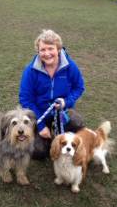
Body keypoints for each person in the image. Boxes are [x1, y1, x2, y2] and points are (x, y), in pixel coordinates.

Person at [19, 29, 85, 160]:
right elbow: (25, 99)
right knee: (38, 152)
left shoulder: (70, 66)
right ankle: (49, 139)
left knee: (77, 123)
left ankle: (64, 140)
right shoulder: (30, 70)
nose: (47, 53)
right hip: (39, 113)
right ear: (38, 51)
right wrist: (41, 125)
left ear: (58, 49)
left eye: (51, 48)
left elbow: (79, 87)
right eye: (42, 50)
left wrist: (67, 102)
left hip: (62, 111)